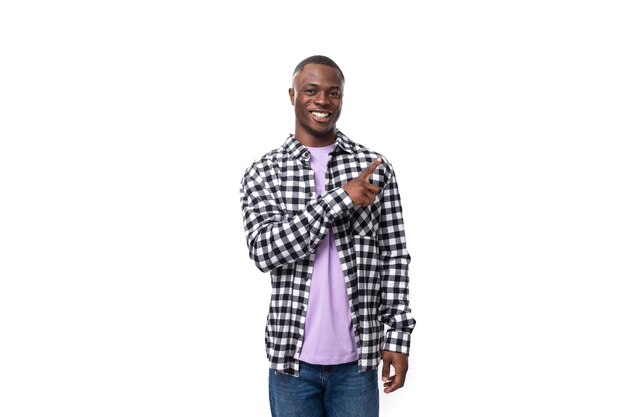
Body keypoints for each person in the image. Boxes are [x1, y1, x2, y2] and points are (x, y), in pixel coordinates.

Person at [240, 55, 415, 417]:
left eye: (333, 93)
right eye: (312, 91)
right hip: (292, 362)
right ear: (292, 95)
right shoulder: (264, 172)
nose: (323, 101)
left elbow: (394, 257)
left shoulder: (375, 168)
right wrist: (341, 198)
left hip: (358, 361)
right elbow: (264, 250)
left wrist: (398, 335)